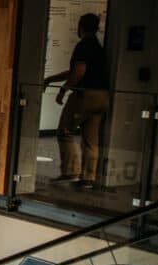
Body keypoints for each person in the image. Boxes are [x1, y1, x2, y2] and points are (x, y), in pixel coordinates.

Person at [43, 13, 110, 188]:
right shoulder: (98, 47)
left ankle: (71, 171)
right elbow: (75, 71)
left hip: (84, 96)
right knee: (90, 139)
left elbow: (79, 72)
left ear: (80, 26)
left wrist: (63, 90)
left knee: (64, 131)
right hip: (102, 97)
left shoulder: (83, 46)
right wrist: (51, 79)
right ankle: (88, 177)